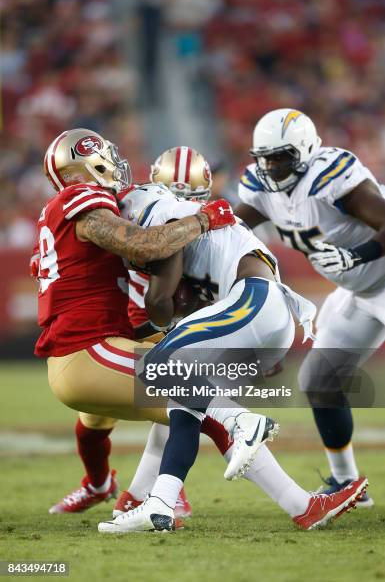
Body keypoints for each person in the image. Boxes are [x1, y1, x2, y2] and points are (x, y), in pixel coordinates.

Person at [98, 146, 367, 533]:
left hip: (254, 302)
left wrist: (158, 307)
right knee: (185, 403)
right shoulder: (191, 221)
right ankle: (156, 502)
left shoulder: (156, 205)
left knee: (156, 365)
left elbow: (158, 302)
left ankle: (242, 423)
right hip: (263, 314)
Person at [36, 128, 288, 530]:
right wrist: (203, 218)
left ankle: (123, 491)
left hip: (105, 335)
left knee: (165, 399)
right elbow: (147, 246)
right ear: (87, 164)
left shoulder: (81, 210)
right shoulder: (84, 198)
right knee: (194, 394)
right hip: (90, 345)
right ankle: (245, 465)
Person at [235, 108, 385, 504]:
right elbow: (233, 229)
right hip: (361, 293)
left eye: (279, 156)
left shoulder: (331, 177)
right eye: (264, 158)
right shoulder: (263, 187)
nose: (270, 166)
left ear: (303, 150)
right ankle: (347, 483)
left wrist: (357, 254)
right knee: (320, 382)